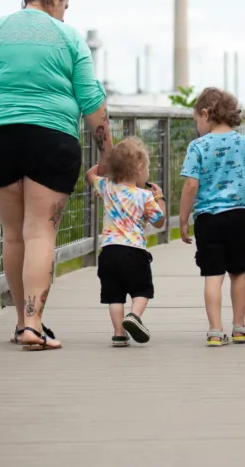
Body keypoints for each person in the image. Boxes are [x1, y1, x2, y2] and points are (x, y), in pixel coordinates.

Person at [0, 0, 114, 351]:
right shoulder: (69, 38)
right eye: (65, 5)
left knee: (13, 235)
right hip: (51, 138)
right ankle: (34, 325)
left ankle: (23, 322)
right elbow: (90, 99)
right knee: (40, 231)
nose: (64, 14)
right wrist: (107, 153)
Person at [178, 88, 245, 347]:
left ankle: (215, 330)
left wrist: (183, 219)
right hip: (239, 217)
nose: (197, 127)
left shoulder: (198, 146)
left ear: (205, 113)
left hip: (207, 219)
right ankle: (239, 327)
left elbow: (191, 185)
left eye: (197, 121)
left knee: (213, 275)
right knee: (239, 272)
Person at [85, 137, 166, 347]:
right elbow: (159, 221)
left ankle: (119, 333)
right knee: (142, 290)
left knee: (115, 295)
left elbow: (90, 175)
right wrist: (160, 198)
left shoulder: (106, 186)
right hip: (134, 252)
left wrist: (105, 165)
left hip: (109, 253)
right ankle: (134, 316)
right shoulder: (145, 196)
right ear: (139, 168)